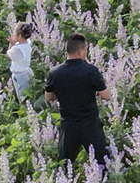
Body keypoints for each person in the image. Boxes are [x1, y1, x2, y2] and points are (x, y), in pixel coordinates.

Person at [45, 33, 112, 164]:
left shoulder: (54, 73)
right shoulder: (91, 71)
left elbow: (48, 97)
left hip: (68, 125)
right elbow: (106, 95)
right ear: (81, 51)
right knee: (103, 164)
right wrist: (96, 92)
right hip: (90, 125)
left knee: (65, 164)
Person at [8, 22, 38, 98]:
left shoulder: (17, 49)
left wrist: (11, 44)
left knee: (23, 97)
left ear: (20, 36)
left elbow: (8, 56)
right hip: (28, 72)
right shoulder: (27, 43)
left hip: (20, 76)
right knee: (30, 95)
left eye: (15, 33)